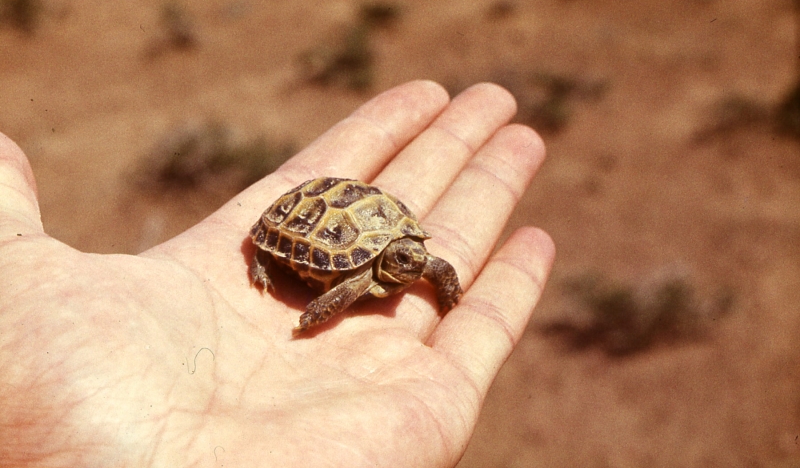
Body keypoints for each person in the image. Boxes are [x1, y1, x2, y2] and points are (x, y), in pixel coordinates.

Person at [0, 81, 554, 467]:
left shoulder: (412, 258)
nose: (412, 266)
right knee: (344, 285)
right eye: (404, 260)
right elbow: (343, 294)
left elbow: (435, 264)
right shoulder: (361, 277)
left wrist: (447, 289)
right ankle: (265, 256)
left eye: (411, 258)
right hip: (312, 224)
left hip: (360, 220)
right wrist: (308, 314)